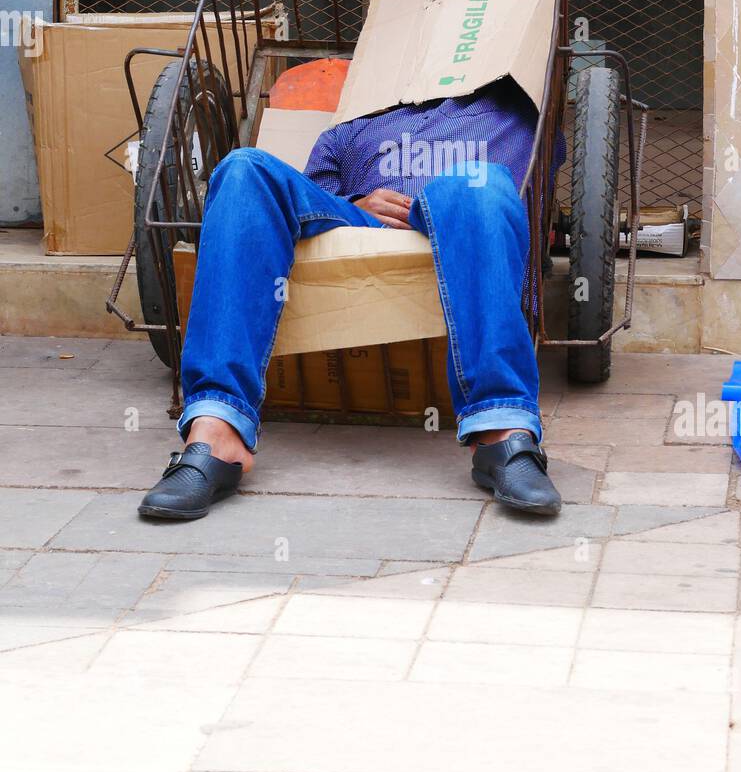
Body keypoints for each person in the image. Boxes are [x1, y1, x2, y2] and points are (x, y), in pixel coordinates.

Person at [138, 76, 563, 522]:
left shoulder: (516, 109)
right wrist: (358, 202)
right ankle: (217, 428)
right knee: (243, 170)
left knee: (483, 181)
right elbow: (305, 203)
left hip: (465, 216)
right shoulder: (355, 121)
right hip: (358, 223)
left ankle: (502, 430)